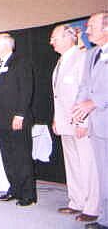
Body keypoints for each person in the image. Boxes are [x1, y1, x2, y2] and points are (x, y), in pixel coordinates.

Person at [50, 24, 100, 223]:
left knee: (88, 164)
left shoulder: (83, 57)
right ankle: (77, 202)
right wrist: (56, 118)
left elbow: (87, 92)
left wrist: (83, 122)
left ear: (69, 37)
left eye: (55, 37)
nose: (51, 41)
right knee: (72, 165)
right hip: (64, 122)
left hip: (80, 122)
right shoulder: (61, 61)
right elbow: (58, 95)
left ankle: (92, 206)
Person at [0, 33, 36, 206]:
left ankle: (28, 194)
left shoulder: (21, 62)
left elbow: (26, 90)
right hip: (1, 119)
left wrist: (20, 114)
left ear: (7, 46)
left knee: (21, 156)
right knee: (8, 157)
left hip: (17, 118)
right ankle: (14, 189)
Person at [72, 11, 108, 229]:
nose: (86, 31)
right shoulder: (92, 54)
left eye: (91, 26)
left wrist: (93, 102)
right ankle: (104, 219)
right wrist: (79, 110)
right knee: (104, 174)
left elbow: (95, 96)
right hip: (97, 125)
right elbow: (84, 86)